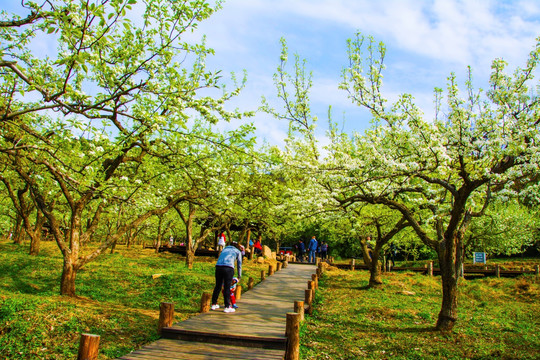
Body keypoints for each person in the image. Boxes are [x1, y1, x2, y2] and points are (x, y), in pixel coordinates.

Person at [211, 242, 242, 313]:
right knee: (227, 287)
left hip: (218, 267)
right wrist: (239, 277)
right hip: (228, 268)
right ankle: (227, 306)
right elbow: (239, 264)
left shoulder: (224, 249)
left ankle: (213, 304)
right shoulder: (237, 251)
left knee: (218, 285)